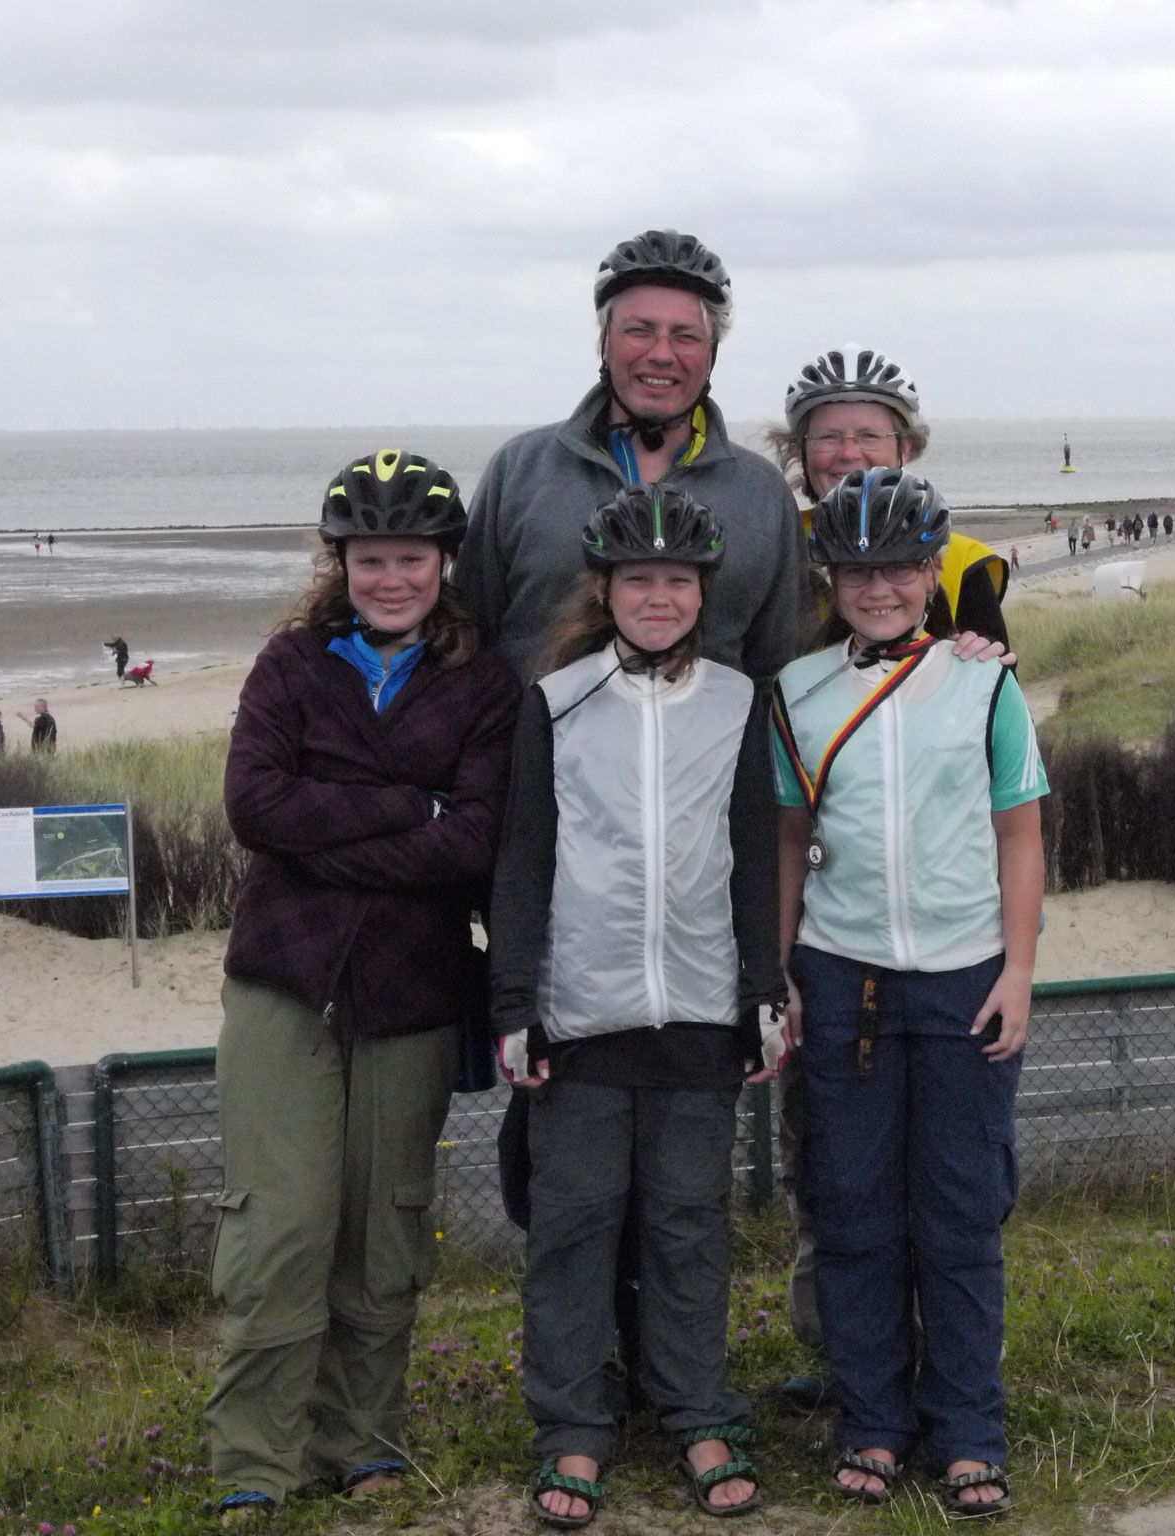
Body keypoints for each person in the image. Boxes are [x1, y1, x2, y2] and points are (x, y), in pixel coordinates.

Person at [205, 449, 521, 1519]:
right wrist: (409, 809)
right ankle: (257, 1459)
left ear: (445, 563)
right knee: (280, 1224)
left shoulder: (483, 687)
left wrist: (336, 820)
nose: (392, 578)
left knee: (384, 1227)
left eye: (413, 558)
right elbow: (257, 810)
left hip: (415, 988)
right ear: (338, 562)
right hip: (283, 981)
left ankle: (365, 1440)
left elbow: (476, 841)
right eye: (370, 559)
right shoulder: (290, 666)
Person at [491, 486, 784, 1528]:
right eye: (636, 580)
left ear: (700, 591)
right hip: (580, 1017)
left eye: (675, 580)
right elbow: (523, 859)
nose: (656, 597)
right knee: (572, 1229)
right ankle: (571, 1429)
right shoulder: (555, 702)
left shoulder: (740, 702)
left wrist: (762, 991)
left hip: (701, 1013)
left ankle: (697, 1409)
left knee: (687, 1228)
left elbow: (753, 857)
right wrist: (515, 1000)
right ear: (604, 588)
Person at [774, 469, 1046, 1517]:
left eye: (898, 569)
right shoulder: (797, 694)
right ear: (830, 580)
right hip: (842, 977)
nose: (878, 589)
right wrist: (782, 973)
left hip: (965, 975)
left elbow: (1018, 836)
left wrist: (1017, 970)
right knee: (851, 1213)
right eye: (855, 572)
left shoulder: (988, 685)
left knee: (959, 1215)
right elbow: (789, 842)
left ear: (934, 573)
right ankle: (874, 1420)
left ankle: (969, 1427)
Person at [454, 229, 806, 685]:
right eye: (639, 331)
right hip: (537, 754)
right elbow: (466, 646)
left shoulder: (761, 492)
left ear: (711, 352)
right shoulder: (520, 471)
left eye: (685, 336)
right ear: (604, 339)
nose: (661, 354)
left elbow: (781, 667)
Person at [764, 346, 1009, 646]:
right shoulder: (775, 553)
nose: (849, 454)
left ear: (905, 448)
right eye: (828, 437)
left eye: (869, 436)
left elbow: (990, 683)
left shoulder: (959, 560)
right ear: (801, 450)